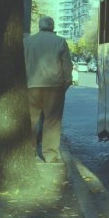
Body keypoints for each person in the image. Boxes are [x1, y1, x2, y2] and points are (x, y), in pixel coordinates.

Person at [24, 16, 73, 163]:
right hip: (54, 86)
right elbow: (67, 65)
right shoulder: (60, 41)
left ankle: (29, 152)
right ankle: (50, 154)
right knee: (52, 120)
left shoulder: (27, 42)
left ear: (39, 26)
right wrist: (66, 82)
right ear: (53, 26)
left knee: (31, 120)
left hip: (31, 85)